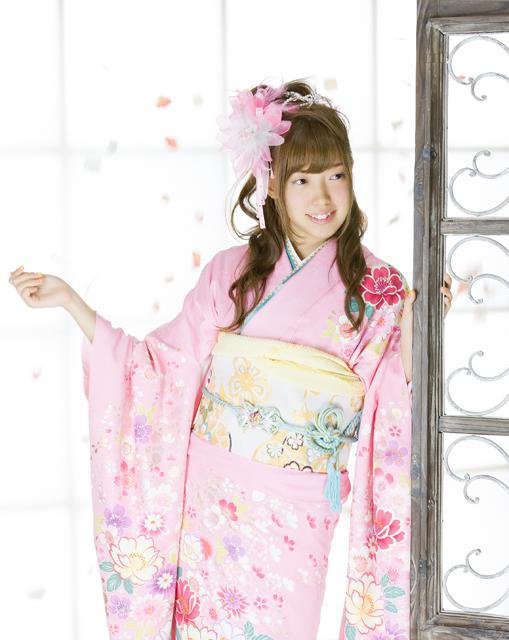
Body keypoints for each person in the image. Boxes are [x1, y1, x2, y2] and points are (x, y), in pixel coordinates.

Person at [9, 78, 452, 640]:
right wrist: (73, 303)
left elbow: (394, 392)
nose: (323, 197)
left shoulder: (379, 288)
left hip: (297, 508)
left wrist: (420, 326)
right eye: (302, 180)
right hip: (211, 498)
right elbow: (159, 369)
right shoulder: (231, 273)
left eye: (336, 175)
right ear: (272, 187)